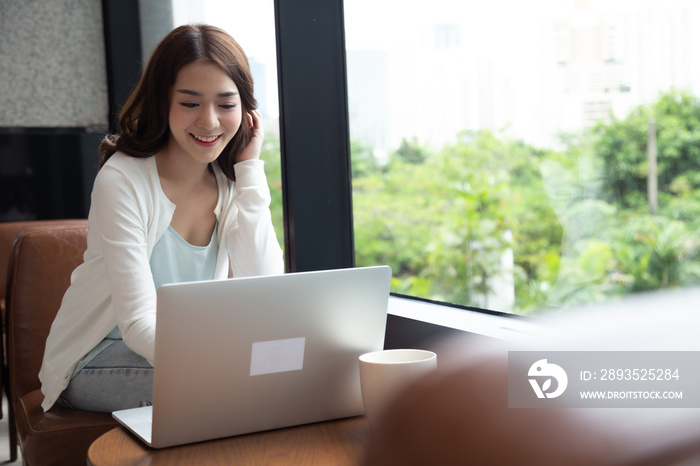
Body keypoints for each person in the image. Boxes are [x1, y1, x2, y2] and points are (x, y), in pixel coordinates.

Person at [38, 24, 284, 413]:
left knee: (284, 376)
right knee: (240, 389)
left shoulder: (230, 181)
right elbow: (138, 323)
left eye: (226, 104)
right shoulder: (122, 180)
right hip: (93, 359)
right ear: (162, 101)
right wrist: (218, 364)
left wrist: (250, 171)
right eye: (189, 103)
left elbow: (267, 285)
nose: (209, 121)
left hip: (187, 350)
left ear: (247, 113)